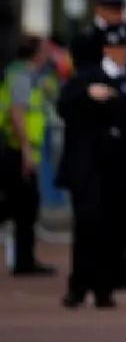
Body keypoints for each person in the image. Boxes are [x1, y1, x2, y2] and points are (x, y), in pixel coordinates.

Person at [56, 21, 126, 308]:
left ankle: (105, 286)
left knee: (115, 228)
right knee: (88, 226)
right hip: (89, 168)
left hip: (120, 167)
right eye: (115, 47)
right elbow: (64, 106)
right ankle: (79, 285)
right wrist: (88, 95)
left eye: (125, 47)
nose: (121, 53)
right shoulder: (87, 76)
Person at [3, 36, 59, 276]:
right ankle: (24, 262)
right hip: (17, 149)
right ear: (35, 54)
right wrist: (26, 149)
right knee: (21, 205)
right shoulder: (22, 77)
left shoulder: (30, 76)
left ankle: (25, 260)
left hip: (22, 148)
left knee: (24, 206)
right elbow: (17, 113)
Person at [68, 0, 126, 78]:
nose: (119, 14)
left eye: (121, 10)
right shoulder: (86, 38)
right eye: (114, 10)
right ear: (99, 9)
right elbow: (81, 70)